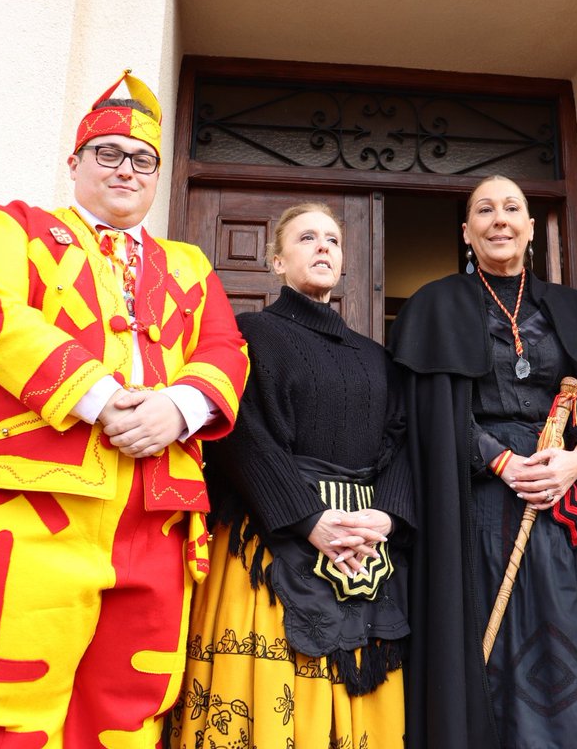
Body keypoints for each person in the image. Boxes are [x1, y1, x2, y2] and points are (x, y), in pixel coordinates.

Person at [0, 70, 249, 747]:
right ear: (74, 164)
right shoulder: (17, 227)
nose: (126, 169)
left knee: (130, 709)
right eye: (108, 154)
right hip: (27, 496)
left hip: (157, 510)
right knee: (1, 699)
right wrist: (100, 398)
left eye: (142, 160)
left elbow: (226, 347)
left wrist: (178, 409)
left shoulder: (189, 263)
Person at [388, 176, 577, 749]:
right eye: (484, 210)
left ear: (530, 228)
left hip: (565, 502)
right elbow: (424, 413)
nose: (499, 219)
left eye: (511, 209)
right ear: (465, 231)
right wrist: (499, 460)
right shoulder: (435, 305)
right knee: (491, 638)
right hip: (477, 502)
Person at [171, 203, 414, 749]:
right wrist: (309, 519)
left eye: (332, 239)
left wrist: (386, 518)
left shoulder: (377, 357)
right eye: (307, 238)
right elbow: (240, 433)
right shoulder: (249, 333)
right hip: (271, 537)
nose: (323, 246)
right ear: (277, 260)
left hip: (364, 548)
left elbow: (401, 441)